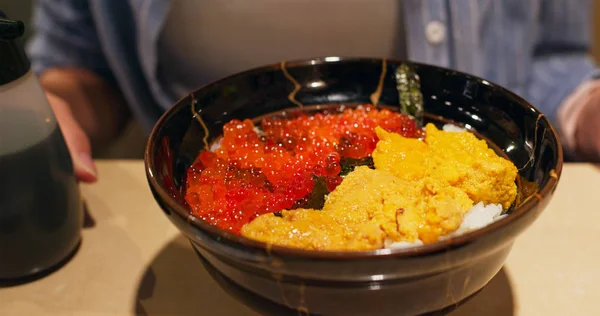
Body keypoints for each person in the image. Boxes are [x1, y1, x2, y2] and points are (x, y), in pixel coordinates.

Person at [26, 0, 600, 184]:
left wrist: (585, 108)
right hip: (191, 220)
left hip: (465, 240)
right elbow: (80, 61)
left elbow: (548, 61)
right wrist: (43, 113)